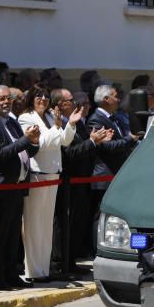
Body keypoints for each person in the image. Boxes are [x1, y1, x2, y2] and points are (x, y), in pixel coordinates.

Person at [0, 85, 40, 290]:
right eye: (1, 99)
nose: (6, 102)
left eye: (8, 98)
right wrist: (25, 140)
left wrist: (34, 141)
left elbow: (27, 151)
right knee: (0, 232)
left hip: (18, 183)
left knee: (13, 232)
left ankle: (11, 273)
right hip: (1, 185)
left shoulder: (12, 122)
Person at [19, 86, 81, 281]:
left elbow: (63, 141)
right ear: (31, 98)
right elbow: (41, 143)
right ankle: (33, 271)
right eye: (39, 95)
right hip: (37, 174)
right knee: (33, 224)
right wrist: (56, 126)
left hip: (53, 173)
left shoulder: (49, 117)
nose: (43, 99)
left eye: (46, 96)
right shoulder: (26, 118)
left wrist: (70, 124)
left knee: (46, 224)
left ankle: (43, 270)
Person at [51, 89, 111, 272]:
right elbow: (68, 154)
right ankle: (60, 262)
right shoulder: (58, 124)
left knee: (77, 223)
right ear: (61, 105)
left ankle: (71, 260)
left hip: (82, 181)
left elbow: (86, 146)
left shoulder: (79, 123)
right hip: (68, 181)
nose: (76, 104)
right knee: (63, 223)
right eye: (71, 101)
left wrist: (98, 141)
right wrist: (92, 142)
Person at [89, 84, 138, 174]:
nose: (118, 100)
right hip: (106, 175)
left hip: (118, 171)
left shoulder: (114, 117)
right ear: (106, 99)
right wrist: (131, 138)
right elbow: (106, 146)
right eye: (115, 96)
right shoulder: (96, 119)